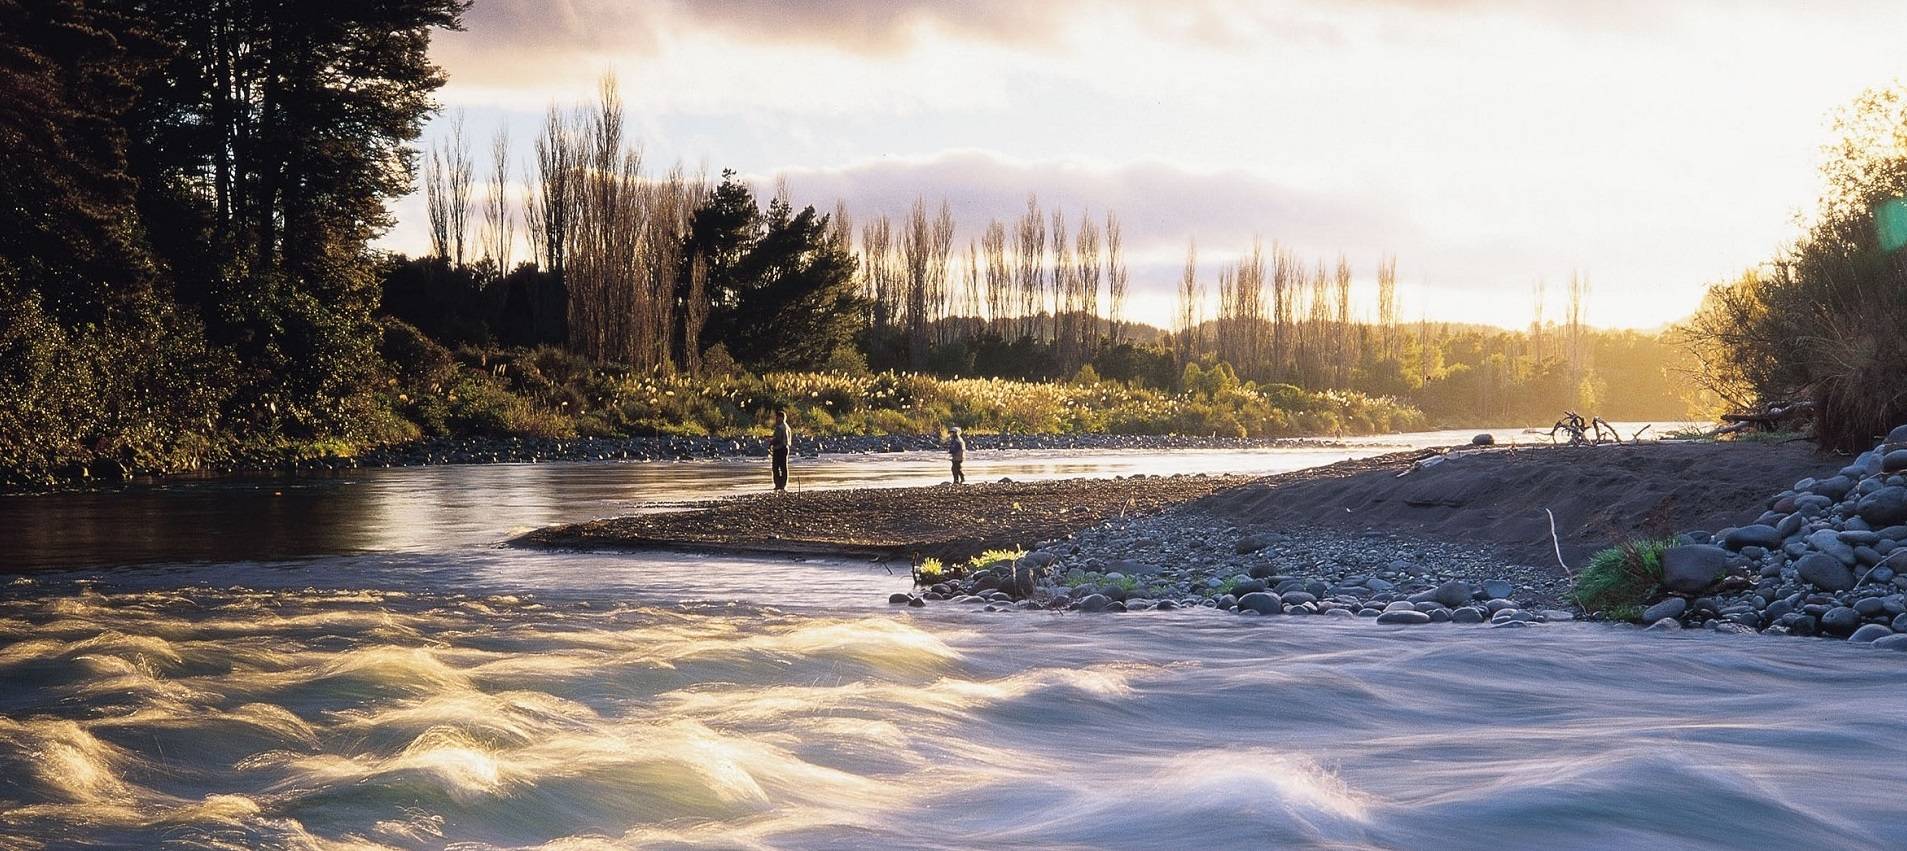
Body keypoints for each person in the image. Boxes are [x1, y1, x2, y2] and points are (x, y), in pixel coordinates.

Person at [770, 408, 792, 492]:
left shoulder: (780, 427)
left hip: (779, 449)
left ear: (782, 418)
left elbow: (778, 439)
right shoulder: (787, 427)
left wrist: (771, 442)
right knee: (784, 468)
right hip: (785, 448)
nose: (776, 419)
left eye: (777, 417)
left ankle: (778, 485)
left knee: (776, 468)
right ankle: (783, 485)